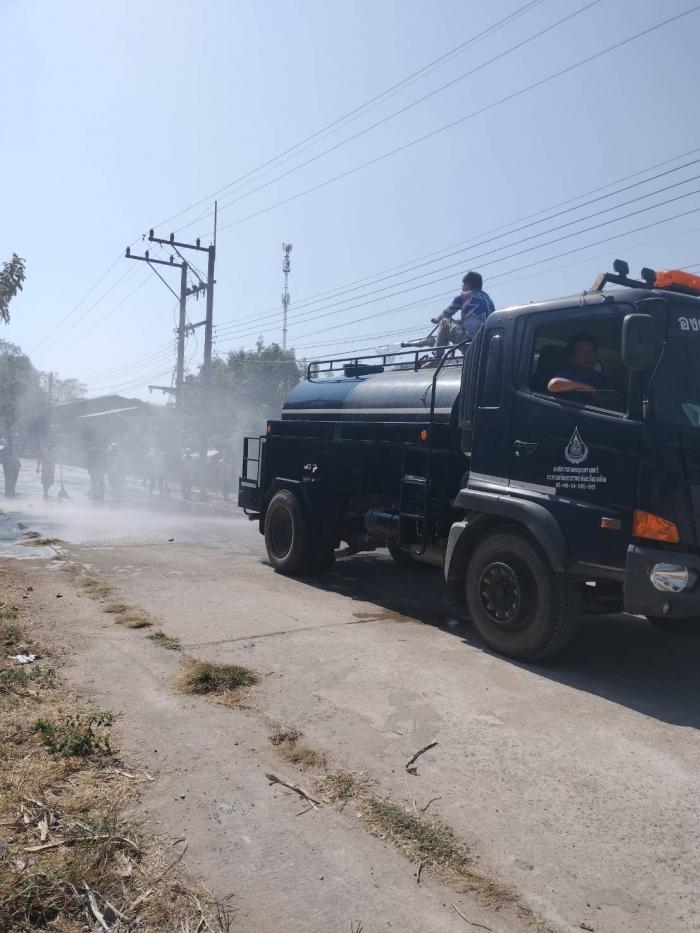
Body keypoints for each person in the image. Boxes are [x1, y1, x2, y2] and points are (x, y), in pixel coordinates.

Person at [433, 270, 495, 348]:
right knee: (460, 322)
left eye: (463, 285)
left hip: (468, 342)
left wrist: (437, 319)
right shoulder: (488, 299)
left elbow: (447, 313)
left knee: (445, 322)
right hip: (484, 345)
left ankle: (437, 353)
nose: (462, 288)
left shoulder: (464, 296)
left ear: (468, 284)